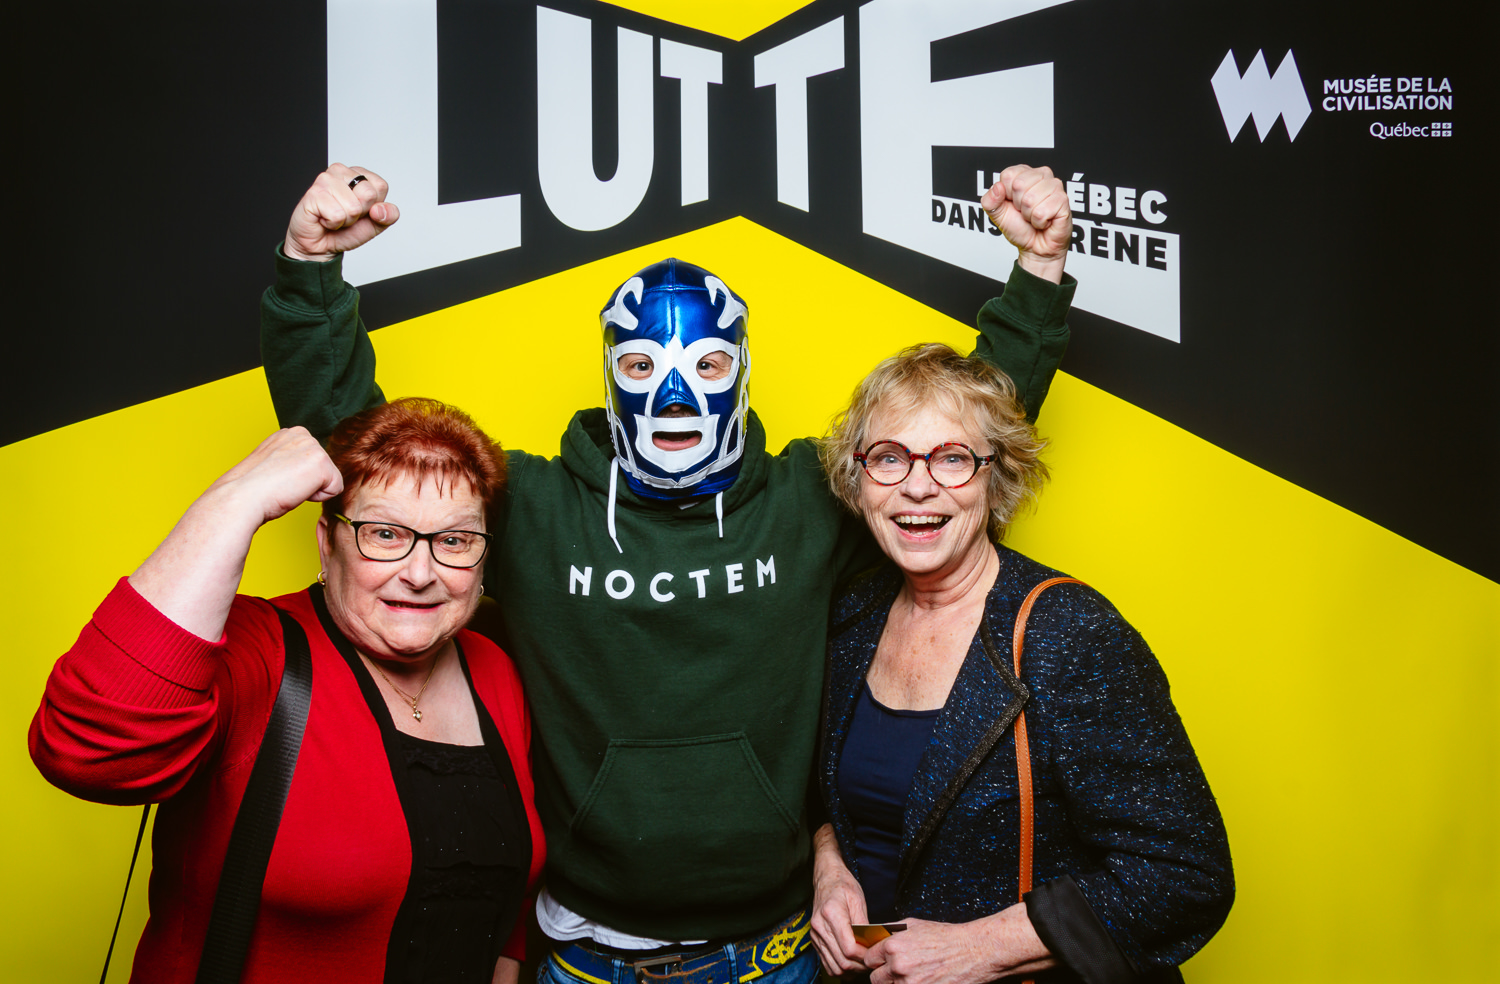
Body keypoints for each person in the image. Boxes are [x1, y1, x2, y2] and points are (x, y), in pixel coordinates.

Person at [258, 163, 1076, 984]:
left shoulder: (807, 499)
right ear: (611, 370)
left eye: (708, 366)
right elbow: (368, 459)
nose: (677, 395)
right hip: (587, 955)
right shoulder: (533, 507)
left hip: (774, 952)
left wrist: (1037, 275)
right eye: (644, 367)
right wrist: (311, 275)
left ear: (742, 370)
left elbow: (954, 447)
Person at [30, 398, 545, 984]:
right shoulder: (256, 649)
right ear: (327, 543)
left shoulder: (496, 670)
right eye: (384, 533)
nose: (420, 573)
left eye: (454, 540)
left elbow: (505, 893)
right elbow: (87, 753)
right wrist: (235, 500)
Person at [808, 346, 1233, 984]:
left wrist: (982, 948)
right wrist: (829, 866)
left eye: (953, 458)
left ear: (996, 476)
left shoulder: (1070, 633)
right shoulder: (852, 616)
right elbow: (826, 794)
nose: (917, 486)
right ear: (858, 477)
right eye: (889, 458)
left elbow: (1185, 874)